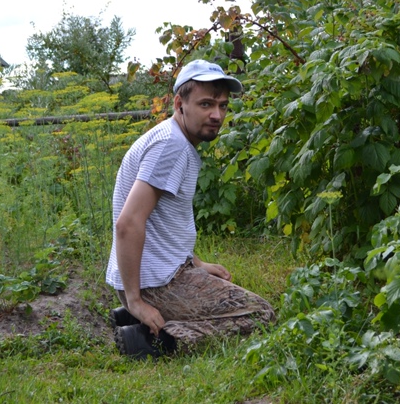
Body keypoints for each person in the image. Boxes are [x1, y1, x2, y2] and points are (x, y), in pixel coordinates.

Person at [105, 59, 276, 359]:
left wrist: (195, 263)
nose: (217, 115)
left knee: (235, 299)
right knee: (262, 315)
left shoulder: (174, 139)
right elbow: (128, 224)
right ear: (179, 103)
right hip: (155, 285)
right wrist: (136, 300)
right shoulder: (170, 147)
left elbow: (165, 223)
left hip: (155, 277)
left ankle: (135, 317)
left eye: (223, 106)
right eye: (206, 104)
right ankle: (154, 339)